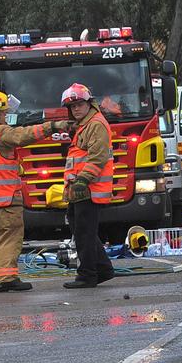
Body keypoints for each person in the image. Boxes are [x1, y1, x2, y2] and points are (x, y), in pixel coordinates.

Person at [0, 89, 60, 293]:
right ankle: (7, 277)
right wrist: (51, 127)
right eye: (4, 112)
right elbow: (23, 136)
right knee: (10, 236)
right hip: (5, 197)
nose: (6, 116)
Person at [58, 83, 117, 289]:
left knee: (84, 233)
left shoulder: (96, 124)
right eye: (72, 106)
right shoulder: (85, 125)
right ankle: (103, 269)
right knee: (83, 231)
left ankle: (87, 275)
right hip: (80, 190)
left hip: (88, 189)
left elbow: (98, 157)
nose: (75, 109)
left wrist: (83, 179)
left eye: (79, 104)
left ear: (89, 103)